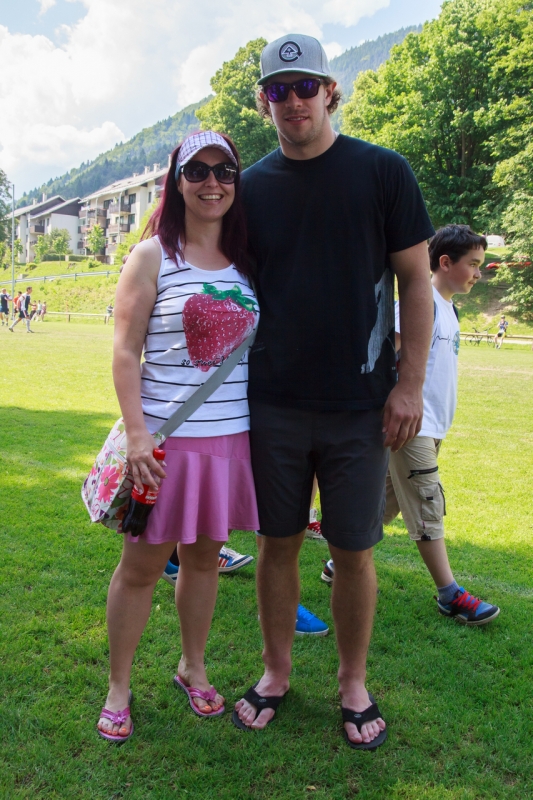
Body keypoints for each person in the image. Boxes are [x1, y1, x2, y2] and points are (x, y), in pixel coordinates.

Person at [232, 34, 435, 750]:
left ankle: (352, 682)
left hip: (359, 406)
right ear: (264, 102)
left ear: (329, 91)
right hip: (273, 403)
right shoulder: (250, 188)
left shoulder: (382, 171)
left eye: (304, 86)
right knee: (276, 545)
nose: (292, 101)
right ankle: (276, 672)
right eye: (277, 90)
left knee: (352, 551)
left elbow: (417, 281)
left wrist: (409, 383)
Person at [97, 130, 259, 742]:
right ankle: (118, 686)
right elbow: (124, 351)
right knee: (140, 569)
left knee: (204, 563)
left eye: (225, 171)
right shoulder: (151, 256)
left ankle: (193, 666)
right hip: (164, 445)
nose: (212, 182)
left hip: (230, 442)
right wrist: (138, 434)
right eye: (198, 171)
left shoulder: (249, 260)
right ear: (177, 180)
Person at [322, 225, 500, 628]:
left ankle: (338, 563)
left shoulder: (448, 308)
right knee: (425, 500)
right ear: (445, 262)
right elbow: (385, 356)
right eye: (473, 264)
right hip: (413, 425)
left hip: (432, 426)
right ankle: (450, 595)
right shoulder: (420, 305)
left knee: (384, 502)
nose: (478, 274)